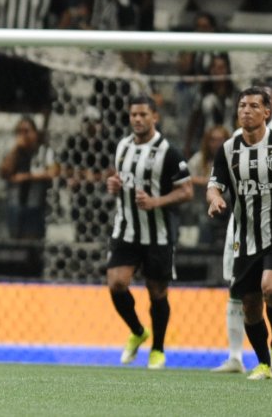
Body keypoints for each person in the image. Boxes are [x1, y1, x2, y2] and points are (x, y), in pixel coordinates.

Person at [207, 87, 272, 380]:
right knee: (250, 305)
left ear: (267, 112)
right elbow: (214, 184)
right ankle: (264, 362)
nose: (246, 110)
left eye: (253, 105)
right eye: (242, 105)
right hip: (246, 236)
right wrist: (215, 198)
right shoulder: (228, 149)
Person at [104, 95, 192, 370]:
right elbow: (122, 180)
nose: (138, 119)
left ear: (155, 117)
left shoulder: (169, 151)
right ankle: (138, 331)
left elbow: (187, 191)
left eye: (143, 114)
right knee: (116, 283)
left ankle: (157, 349)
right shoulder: (123, 146)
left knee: (157, 292)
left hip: (159, 234)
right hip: (126, 229)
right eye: (133, 115)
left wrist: (156, 202)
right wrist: (114, 186)